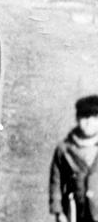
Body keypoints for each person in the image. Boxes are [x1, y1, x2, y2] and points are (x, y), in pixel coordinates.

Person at [50, 94, 98, 222]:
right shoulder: (64, 149)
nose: (89, 123)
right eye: (84, 117)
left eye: (94, 118)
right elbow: (56, 181)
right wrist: (58, 211)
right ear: (77, 119)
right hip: (75, 211)